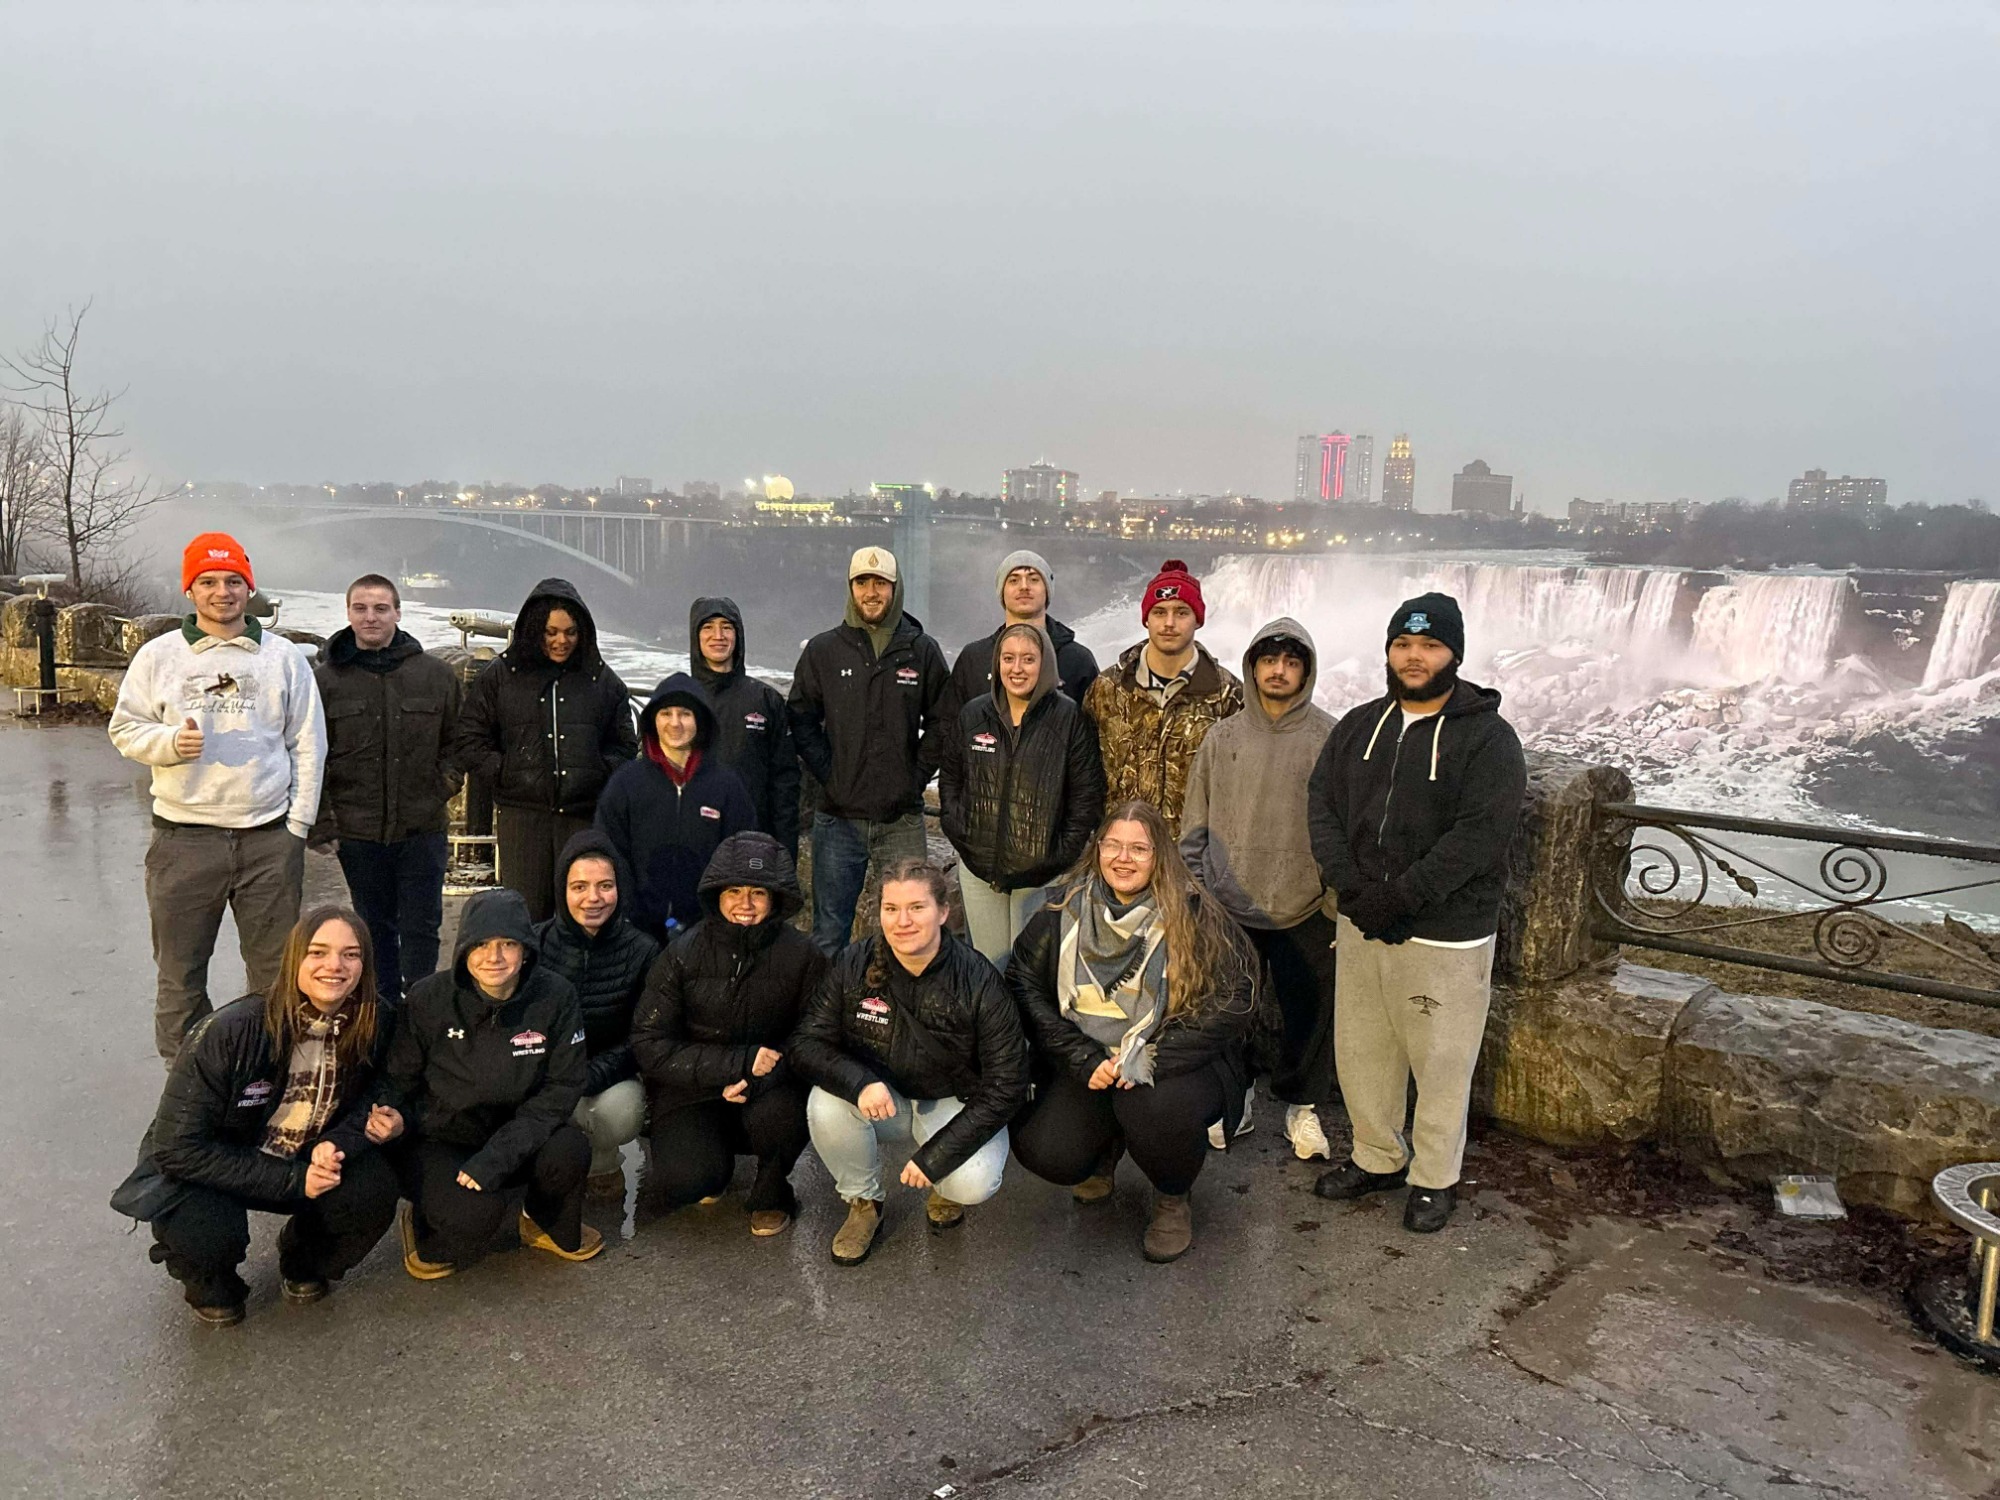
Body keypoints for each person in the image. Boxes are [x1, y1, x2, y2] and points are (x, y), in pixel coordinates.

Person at [1307, 593, 1526, 1234]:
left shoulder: (1489, 741)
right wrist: (1352, 890)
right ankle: (1376, 1156)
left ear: (1453, 654)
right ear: (1388, 651)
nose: (1414, 656)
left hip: (1446, 934)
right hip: (1363, 921)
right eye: (1403, 644)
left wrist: (1400, 898)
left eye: (1429, 645)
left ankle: (1434, 1178)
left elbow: (1478, 837)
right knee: (1363, 1051)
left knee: (1441, 1062)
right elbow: (1321, 805)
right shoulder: (1357, 726)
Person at [111, 906, 401, 1325]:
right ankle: (213, 1284)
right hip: (220, 1162)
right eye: (318, 952)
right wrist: (291, 1180)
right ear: (294, 957)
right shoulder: (229, 1031)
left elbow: (384, 1091)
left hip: (308, 1156)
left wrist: (343, 1140)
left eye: (351, 954)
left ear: (365, 964)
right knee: (206, 1237)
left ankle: (304, 1259)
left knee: (372, 1191)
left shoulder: (377, 1019)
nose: (334, 965)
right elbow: (176, 1148)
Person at [110, 532, 327, 1062]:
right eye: (207, 581)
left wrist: (296, 827)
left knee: (276, 975)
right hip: (184, 840)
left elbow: (308, 743)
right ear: (190, 590)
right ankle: (187, 1088)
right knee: (180, 975)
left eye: (233, 581)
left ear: (248, 588)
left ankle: (266, 1076)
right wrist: (168, 744)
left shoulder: (283, 659)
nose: (222, 592)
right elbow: (125, 729)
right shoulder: (158, 656)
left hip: (268, 840)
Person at [1008, 802, 1257, 1263]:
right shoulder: (1063, 909)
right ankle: (1104, 1149)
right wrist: (1079, 1057)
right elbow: (1023, 982)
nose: (1124, 859)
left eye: (1139, 849)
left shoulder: (1195, 913)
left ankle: (1172, 1195)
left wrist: (1152, 1057)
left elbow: (1234, 1000)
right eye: (1114, 846)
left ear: (1160, 855)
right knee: (1046, 1150)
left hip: (1172, 1064)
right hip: (1092, 1057)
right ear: (1097, 849)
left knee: (1151, 1105)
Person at [790, 859, 1028, 1265]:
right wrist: (859, 1081)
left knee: (973, 1182)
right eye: (891, 908)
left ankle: (945, 1188)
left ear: (944, 911)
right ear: (878, 911)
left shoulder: (979, 979)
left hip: (953, 1101)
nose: (903, 921)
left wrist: (936, 1158)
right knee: (824, 1104)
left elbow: (1009, 1083)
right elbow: (805, 1043)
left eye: (917, 907)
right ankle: (864, 1202)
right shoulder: (853, 963)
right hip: (883, 1098)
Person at [1180, 618, 1339, 1160]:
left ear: (1306, 671)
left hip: (1306, 905)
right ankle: (1236, 1098)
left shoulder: (1328, 738)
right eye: (1269, 661)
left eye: (1292, 662)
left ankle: (1303, 1107)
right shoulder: (1222, 736)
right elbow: (1194, 823)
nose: (1279, 671)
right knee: (1231, 1013)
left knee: (1309, 1013)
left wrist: (1335, 900)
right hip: (1231, 906)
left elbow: (1345, 826)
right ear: (1252, 668)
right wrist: (1199, 890)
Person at [386, 887, 601, 1276]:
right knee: (472, 1222)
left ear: (526, 951)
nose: (494, 957)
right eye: (481, 944)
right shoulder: (426, 999)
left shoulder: (556, 996)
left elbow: (563, 1086)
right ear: (464, 949)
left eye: (508, 944)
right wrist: (397, 1123)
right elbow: (399, 1080)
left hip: (518, 1131)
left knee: (570, 1149)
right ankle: (423, 1225)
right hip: (444, 1137)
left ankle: (541, 1220)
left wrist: (497, 1157)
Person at [630, 832, 828, 1236]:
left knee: (782, 1116)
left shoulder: (804, 956)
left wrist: (762, 1075)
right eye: (734, 890)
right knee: (688, 1180)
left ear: (776, 898)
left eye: (758, 892)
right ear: (716, 893)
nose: (745, 904)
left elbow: (817, 1035)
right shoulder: (683, 953)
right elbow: (649, 1041)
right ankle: (711, 1164)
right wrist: (731, 1066)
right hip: (693, 1088)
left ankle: (772, 1191)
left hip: (770, 1086)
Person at [787, 546, 952, 954]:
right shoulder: (824, 650)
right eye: (863, 583)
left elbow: (944, 721)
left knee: (911, 930)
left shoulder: (922, 650)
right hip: (837, 819)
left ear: (895, 590)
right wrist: (830, 773)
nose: (872, 592)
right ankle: (827, 1015)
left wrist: (913, 779)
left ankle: (900, 1012)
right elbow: (800, 717)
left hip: (901, 819)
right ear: (851, 588)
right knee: (829, 932)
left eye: (881, 583)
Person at [313, 573, 463, 1004]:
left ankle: (419, 1012)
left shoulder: (436, 676)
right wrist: (324, 822)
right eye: (360, 608)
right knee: (372, 928)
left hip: (422, 827)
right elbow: (311, 755)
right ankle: (380, 1014)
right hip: (358, 831)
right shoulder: (326, 681)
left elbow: (458, 743)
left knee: (422, 928)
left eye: (381, 608)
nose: (370, 617)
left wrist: (443, 786)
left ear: (398, 612)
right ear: (347, 614)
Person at [454, 577, 637, 923]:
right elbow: (470, 738)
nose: (561, 641)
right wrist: (505, 773)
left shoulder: (602, 681)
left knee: (581, 917)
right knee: (526, 917)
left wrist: (597, 773)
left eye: (569, 632)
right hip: (522, 817)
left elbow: (625, 744)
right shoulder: (501, 676)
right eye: (551, 632)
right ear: (534, 630)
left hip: (584, 817)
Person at [939, 622, 1105, 964]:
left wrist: (1057, 855)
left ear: (1044, 665)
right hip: (979, 870)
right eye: (1008, 658)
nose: (1017, 669)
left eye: (1028, 659)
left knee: (1030, 975)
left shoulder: (1070, 719)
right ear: (996, 663)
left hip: (1042, 875)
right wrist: (962, 832)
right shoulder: (974, 714)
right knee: (986, 969)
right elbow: (951, 779)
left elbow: (1086, 796)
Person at [534, 830, 662, 1198]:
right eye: (579, 887)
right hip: (550, 1074)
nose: (593, 898)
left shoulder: (643, 950)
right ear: (562, 890)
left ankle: (603, 1161)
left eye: (605, 885)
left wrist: (593, 1074)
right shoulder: (535, 945)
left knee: (621, 1110)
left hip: (610, 1076)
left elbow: (644, 1034)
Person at [1083, 558, 1241, 838]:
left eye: (1181, 612)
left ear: (1198, 619)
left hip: (1193, 861)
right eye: (1159, 612)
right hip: (1120, 855)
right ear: (1146, 619)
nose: (1169, 623)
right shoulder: (1107, 689)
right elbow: (1084, 774)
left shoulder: (1228, 695)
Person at [594, 672, 757, 943]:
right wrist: (629, 908)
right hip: (636, 929)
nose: (675, 723)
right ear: (652, 722)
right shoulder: (626, 783)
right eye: (665, 714)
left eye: (685, 714)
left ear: (700, 720)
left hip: (708, 930)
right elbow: (607, 850)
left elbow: (741, 855)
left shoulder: (726, 786)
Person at [689, 596, 802, 857]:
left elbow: (785, 784)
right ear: (695, 636)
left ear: (738, 635)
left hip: (753, 840)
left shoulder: (764, 699)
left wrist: (785, 853)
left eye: (727, 627)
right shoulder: (678, 699)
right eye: (708, 627)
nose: (718, 635)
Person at [946, 549, 1099, 712]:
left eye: (1033, 579)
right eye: (1013, 580)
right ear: (1001, 592)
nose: (1024, 587)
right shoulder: (973, 658)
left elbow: (1094, 729)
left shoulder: (1078, 660)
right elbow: (947, 726)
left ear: (1047, 591)